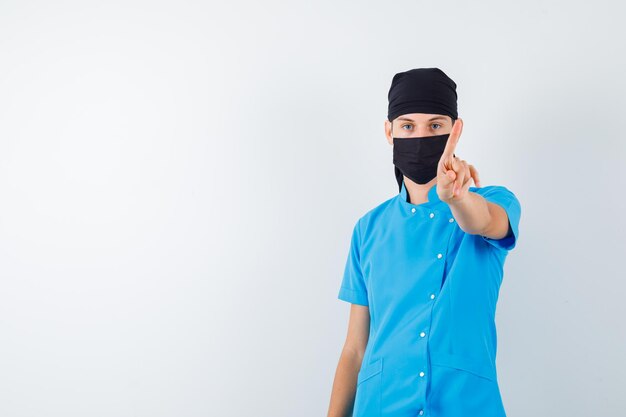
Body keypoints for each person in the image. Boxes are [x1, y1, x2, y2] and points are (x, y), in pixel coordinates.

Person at [326, 68, 522, 417]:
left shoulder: (494, 201)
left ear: (454, 130)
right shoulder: (368, 229)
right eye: (407, 126)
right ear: (389, 132)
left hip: (465, 405)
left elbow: (483, 222)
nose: (420, 136)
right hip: (382, 407)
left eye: (435, 126)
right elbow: (355, 349)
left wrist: (456, 197)